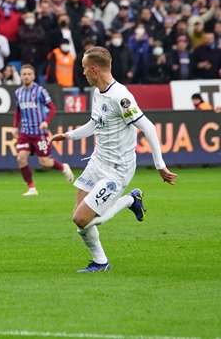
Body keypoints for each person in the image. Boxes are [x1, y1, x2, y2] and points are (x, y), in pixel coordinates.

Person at [50, 46, 177, 273]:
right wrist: (69, 136)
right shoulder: (98, 93)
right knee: (78, 216)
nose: (83, 73)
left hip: (117, 169)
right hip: (98, 161)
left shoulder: (121, 96)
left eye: (84, 69)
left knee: (82, 219)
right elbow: (94, 124)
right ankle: (100, 262)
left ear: (94, 69)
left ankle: (130, 200)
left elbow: (147, 126)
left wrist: (160, 166)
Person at [13, 65, 74, 196]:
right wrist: (14, 127)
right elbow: (18, 111)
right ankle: (31, 188)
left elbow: (52, 108)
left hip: (39, 133)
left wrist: (46, 121)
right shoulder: (18, 93)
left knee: (45, 163)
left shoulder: (40, 91)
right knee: (21, 158)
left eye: (29, 74)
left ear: (33, 76)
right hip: (25, 132)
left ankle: (64, 167)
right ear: (20, 76)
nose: (26, 76)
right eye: (24, 74)